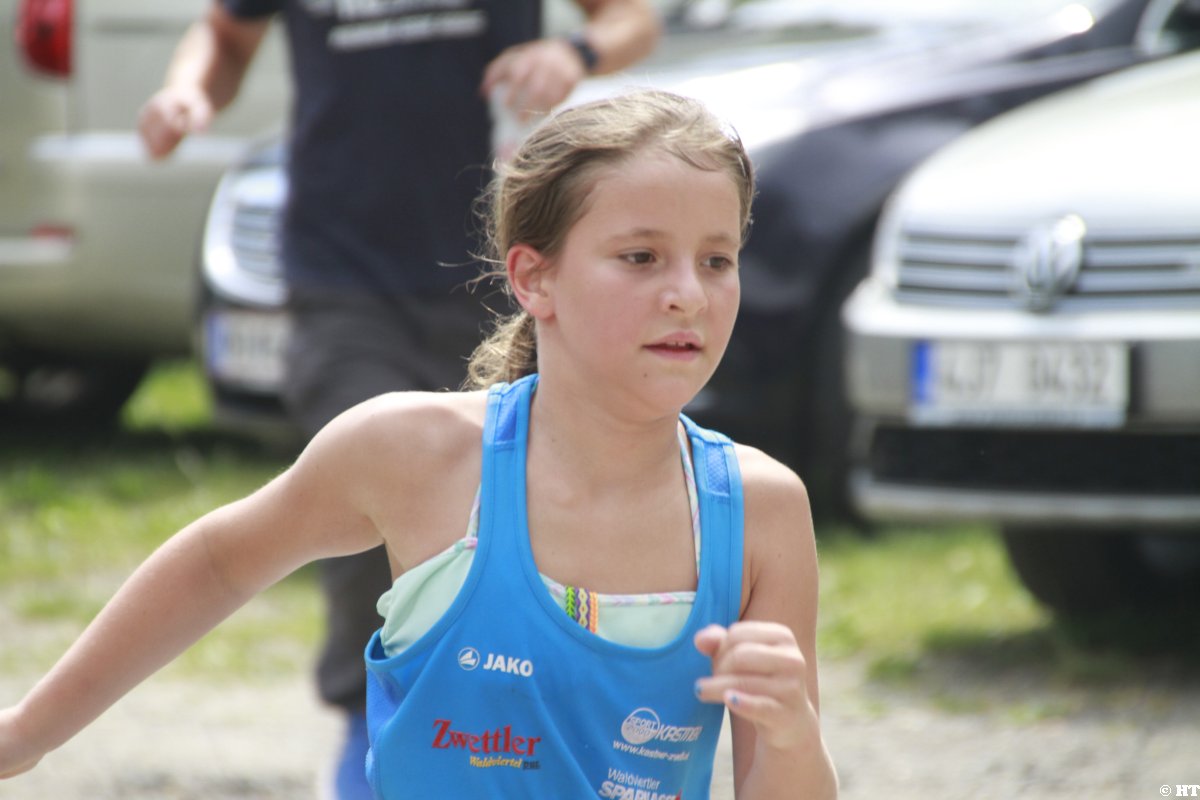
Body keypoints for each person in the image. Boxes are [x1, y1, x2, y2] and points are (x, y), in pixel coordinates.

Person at [0, 89, 838, 798]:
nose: (688, 294)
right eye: (641, 256)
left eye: (717, 260)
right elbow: (220, 563)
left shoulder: (759, 511)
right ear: (533, 276)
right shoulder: (415, 456)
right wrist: (24, 734)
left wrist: (792, 730)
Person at [137, 2, 660, 796]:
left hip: (499, 270)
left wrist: (576, 51)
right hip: (342, 272)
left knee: (513, 509)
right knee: (367, 503)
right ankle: (369, 729)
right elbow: (224, 34)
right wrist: (188, 92)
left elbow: (633, 20)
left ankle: (517, 730)